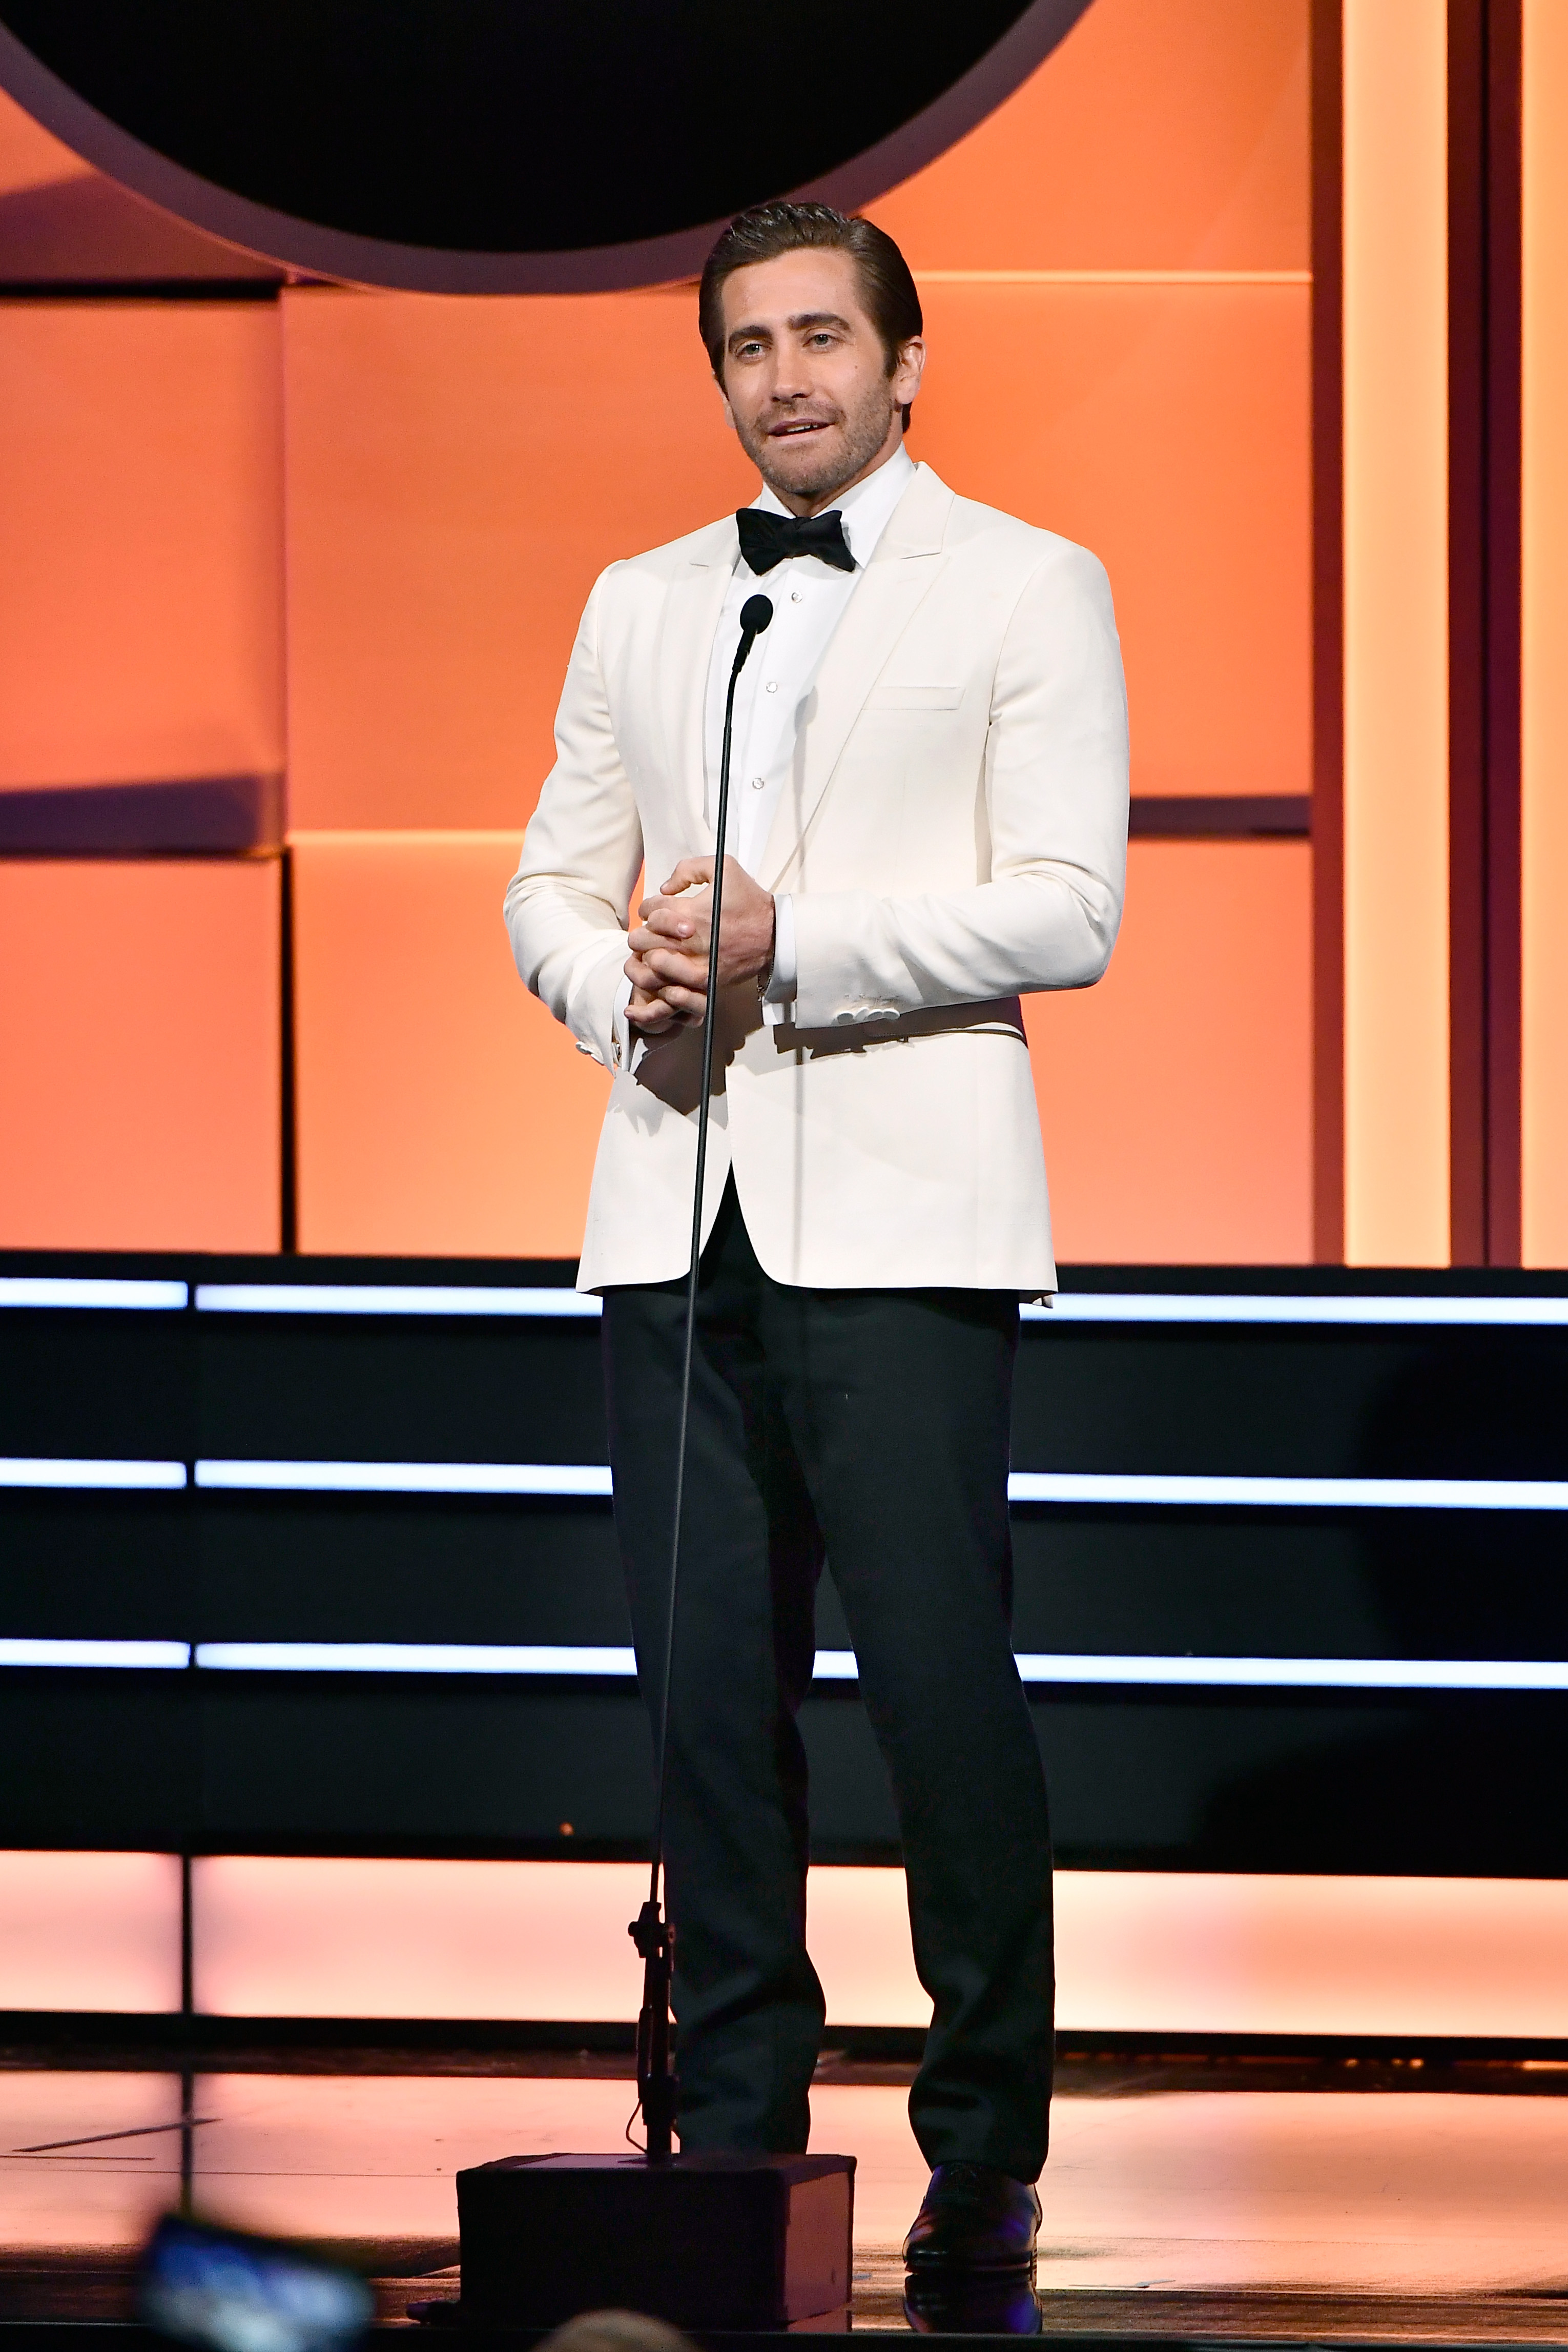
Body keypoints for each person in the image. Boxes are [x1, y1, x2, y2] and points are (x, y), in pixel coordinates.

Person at [506, 201, 1128, 2283]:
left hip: (907, 1214)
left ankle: (984, 2137)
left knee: (941, 1693)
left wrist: (800, 947)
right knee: (705, 1699)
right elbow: (547, 882)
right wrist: (621, 987)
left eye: (822, 339)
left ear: (906, 359)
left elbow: (1068, 906)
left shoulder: (1026, 581)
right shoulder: (646, 599)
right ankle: (737, 2132)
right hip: (672, 1209)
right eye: (749, 347)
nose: (786, 379)